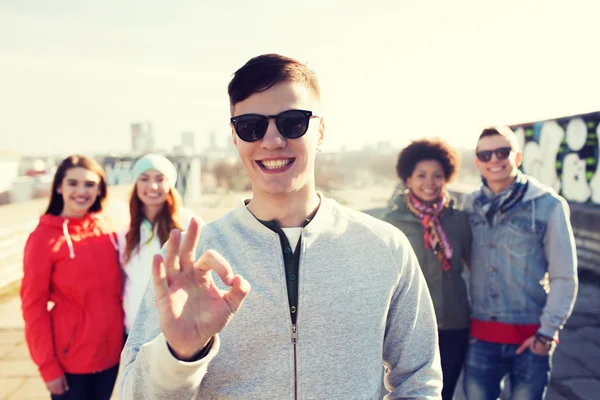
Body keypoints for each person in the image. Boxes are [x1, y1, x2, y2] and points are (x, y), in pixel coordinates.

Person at [119, 53, 442, 399]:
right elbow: (131, 394)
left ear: (320, 130)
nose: (271, 140)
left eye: (292, 122)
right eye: (251, 126)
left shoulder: (384, 246)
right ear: (234, 136)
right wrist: (180, 356)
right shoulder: (191, 259)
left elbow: (419, 379)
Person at [463, 126, 578, 399]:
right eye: (486, 154)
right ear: (478, 161)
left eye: (503, 151)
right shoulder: (469, 205)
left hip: (530, 339)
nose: (495, 159)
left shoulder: (548, 205)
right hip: (481, 339)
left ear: (517, 156)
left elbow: (564, 277)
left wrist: (547, 334)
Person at [21, 155, 124, 399]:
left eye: (89, 184)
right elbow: (33, 308)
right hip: (70, 363)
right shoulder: (43, 239)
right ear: (59, 187)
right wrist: (48, 368)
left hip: (111, 357)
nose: (81, 191)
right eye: (73, 183)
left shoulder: (108, 229)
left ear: (100, 189)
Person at [382, 139, 471, 400]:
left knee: (446, 392)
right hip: (410, 329)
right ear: (408, 179)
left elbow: (474, 266)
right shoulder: (392, 223)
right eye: (421, 175)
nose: (429, 182)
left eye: (437, 176)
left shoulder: (459, 220)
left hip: (455, 324)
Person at [119, 153, 196, 338]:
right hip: (134, 332)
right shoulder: (126, 231)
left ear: (170, 184)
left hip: (173, 331)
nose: (152, 186)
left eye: (160, 179)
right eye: (144, 179)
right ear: (136, 184)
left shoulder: (188, 224)